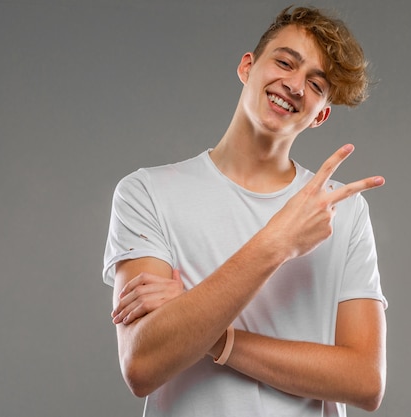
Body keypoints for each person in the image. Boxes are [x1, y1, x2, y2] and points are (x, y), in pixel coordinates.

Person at [103, 5, 387, 416]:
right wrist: (279, 242)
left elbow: (365, 381)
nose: (293, 84)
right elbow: (142, 364)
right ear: (247, 67)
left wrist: (210, 334)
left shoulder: (341, 209)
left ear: (320, 114)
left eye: (314, 84)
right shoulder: (146, 193)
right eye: (285, 62)